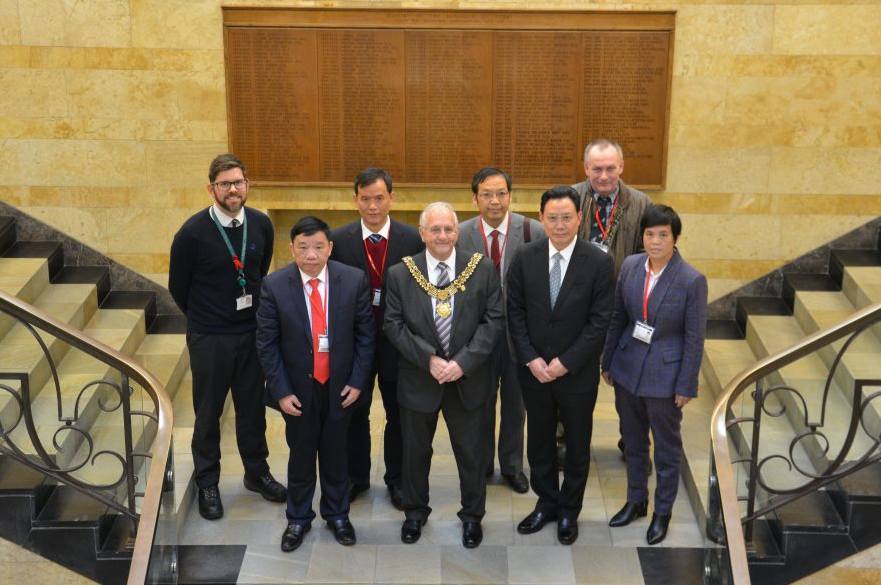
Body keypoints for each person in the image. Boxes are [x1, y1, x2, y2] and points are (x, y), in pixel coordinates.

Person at [168, 154, 285, 520]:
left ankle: (256, 473)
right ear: (211, 189)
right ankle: (207, 481)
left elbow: (258, 271)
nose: (232, 189)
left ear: (247, 185)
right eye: (224, 184)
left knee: (252, 408)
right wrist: (207, 318)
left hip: (250, 334)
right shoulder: (191, 233)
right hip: (210, 337)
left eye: (238, 182)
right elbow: (178, 287)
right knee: (209, 411)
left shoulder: (261, 225)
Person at [383, 202, 504, 549]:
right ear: (422, 233)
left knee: (472, 454)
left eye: (448, 229)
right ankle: (415, 514)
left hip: (468, 379)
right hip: (420, 379)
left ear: (457, 232)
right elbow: (392, 324)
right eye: (434, 229)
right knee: (415, 453)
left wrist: (462, 362)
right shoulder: (401, 274)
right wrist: (429, 359)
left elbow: (494, 321)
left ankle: (472, 517)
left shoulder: (480, 269)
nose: (442, 236)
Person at [255, 216, 375, 552]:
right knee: (301, 454)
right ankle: (298, 518)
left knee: (337, 453)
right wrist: (280, 391)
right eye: (303, 247)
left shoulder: (352, 281)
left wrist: (357, 381)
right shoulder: (275, 286)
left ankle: (338, 516)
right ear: (292, 248)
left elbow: (366, 337)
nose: (311, 254)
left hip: (340, 387)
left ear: (330, 248)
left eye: (319, 247)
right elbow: (267, 344)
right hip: (296, 390)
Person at [506, 186, 614, 545]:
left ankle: (570, 511)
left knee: (578, 445)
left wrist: (565, 363)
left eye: (567, 217)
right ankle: (546, 503)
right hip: (534, 372)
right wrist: (532, 359)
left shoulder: (598, 261)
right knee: (538, 442)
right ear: (541, 218)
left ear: (579, 218)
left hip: (576, 375)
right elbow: (515, 313)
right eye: (552, 217)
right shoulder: (525, 257)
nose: (560, 224)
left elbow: (600, 321)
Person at [602, 204, 707, 545]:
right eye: (650, 234)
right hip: (628, 368)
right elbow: (618, 316)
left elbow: (694, 336)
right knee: (633, 443)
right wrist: (607, 360)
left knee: (665, 449)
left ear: (675, 239)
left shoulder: (691, 280)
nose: (656, 241)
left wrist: (686, 383)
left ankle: (663, 511)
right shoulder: (632, 266)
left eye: (663, 235)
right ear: (642, 236)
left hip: (666, 376)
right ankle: (636, 500)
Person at [330, 168, 423, 509]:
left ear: (391, 199)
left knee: (400, 413)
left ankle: (397, 480)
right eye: (365, 198)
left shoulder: (412, 239)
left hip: (398, 343)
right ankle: (356, 477)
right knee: (354, 410)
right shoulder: (337, 242)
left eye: (379, 198)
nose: (372, 206)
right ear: (355, 199)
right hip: (354, 344)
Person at [458, 167, 544, 494]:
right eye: (487, 194)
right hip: (477, 338)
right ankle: (480, 465)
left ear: (510, 195)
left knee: (515, 404)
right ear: (475, 198)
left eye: (501, 194)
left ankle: (511, 465)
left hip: (518, 336)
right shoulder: (461, 233)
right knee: (478, 405)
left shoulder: (532, 231)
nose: (495, 201)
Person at [572, 138, 653, 461]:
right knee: (574, 380)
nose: (603, 176)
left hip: (626, 308)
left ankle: (634, 443)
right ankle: (568, 440)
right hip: (578, 308)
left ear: (621, 167)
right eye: (596, 169)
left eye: (610, 168)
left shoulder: (641, 204)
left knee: (630, 381)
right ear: (586, 169)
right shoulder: (571, 198)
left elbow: (651, 255)